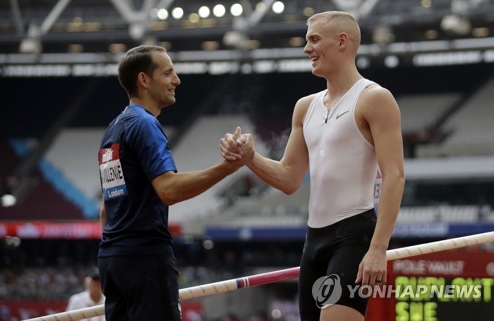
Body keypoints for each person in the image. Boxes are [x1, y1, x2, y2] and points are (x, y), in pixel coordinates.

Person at [220, 11, 405, 321]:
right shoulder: (305, 107)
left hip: (354, 236)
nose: (306, 49)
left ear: (342, 42)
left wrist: (377, 248)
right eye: (307, 41)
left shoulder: (374, 99)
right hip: (313, 242)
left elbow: (395, 176)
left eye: (314, 40)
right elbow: (290, 178)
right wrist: (250, 158)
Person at [98, 45, 251, 321]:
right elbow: (168, 190)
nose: (177, 80)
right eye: (168, 73)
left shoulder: (113, 128)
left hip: (112, 260)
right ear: (144, 80)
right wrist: (228, 168)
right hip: (145, 258)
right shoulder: (144, 125)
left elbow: (105, 210)